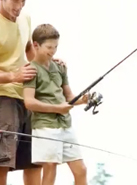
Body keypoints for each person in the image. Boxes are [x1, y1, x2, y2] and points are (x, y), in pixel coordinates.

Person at [0, 0, 65, 185]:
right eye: (15, 1)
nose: (19, 6)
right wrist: (13, 76)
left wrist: (48, 60)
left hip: (27, 97)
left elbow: (30, 50)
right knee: (1, 161)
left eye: (23, 1)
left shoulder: (25, 19)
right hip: (0, 98)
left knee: (34, 161)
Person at [23, 24, 88, 185]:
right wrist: (58, 108)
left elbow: (69, 96)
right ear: (36, 45)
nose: (53, 51)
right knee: (50, 168)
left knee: (81, 169)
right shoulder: (31, 70)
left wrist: (84, 99)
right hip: (45, 126)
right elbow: (29, 102)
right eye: (49, 47)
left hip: (65, 124)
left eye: (56, 47)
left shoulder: (60, 67)